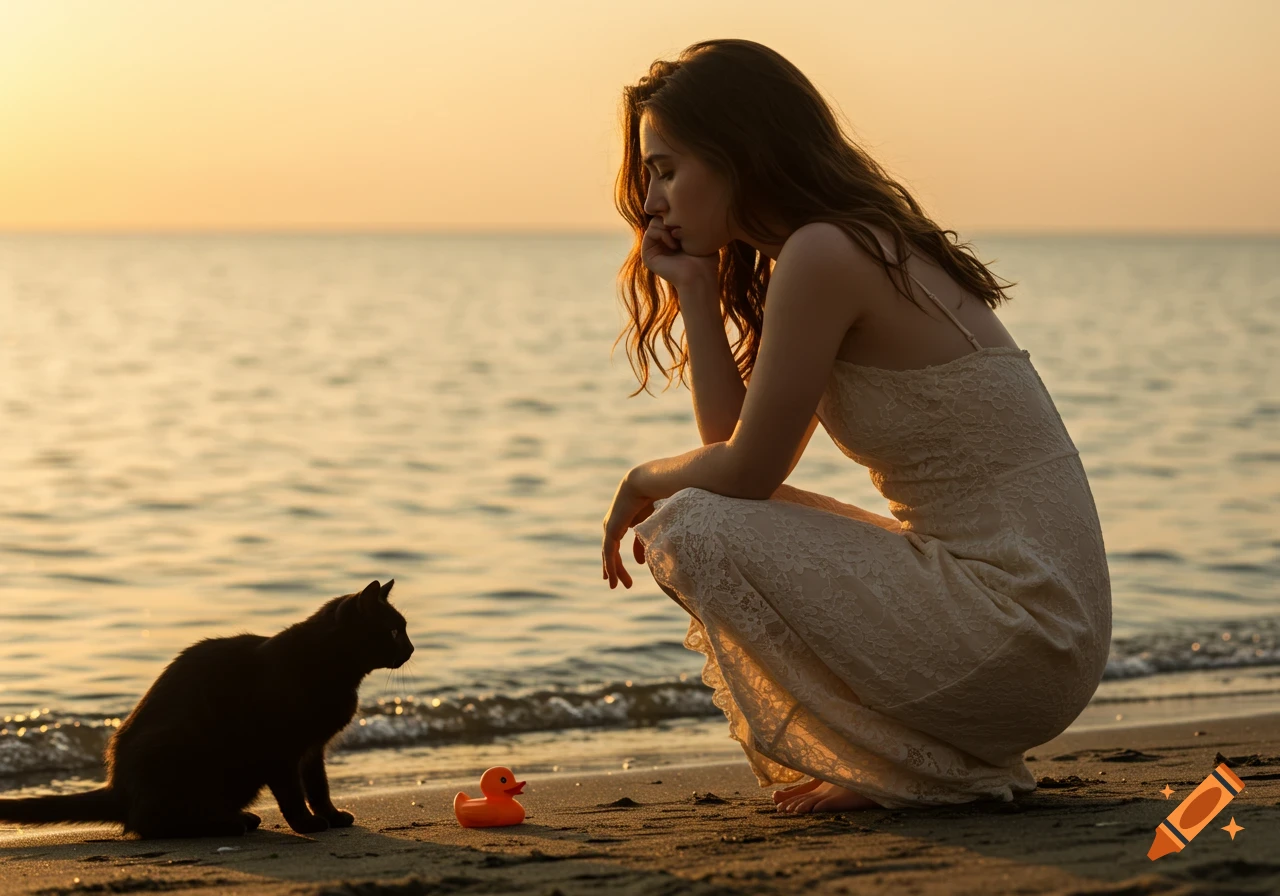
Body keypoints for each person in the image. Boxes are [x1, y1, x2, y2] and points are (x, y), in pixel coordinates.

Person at [600, 39, 1112, 814]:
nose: (652, 201)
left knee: (689, 523)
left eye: (666, 169)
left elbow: (743, 473)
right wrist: (699, 298)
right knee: (702, 512)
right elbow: (736, 448)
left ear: (739, 152)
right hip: (1039, 639)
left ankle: (906, 766)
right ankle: (917, 761)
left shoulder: (825, 253)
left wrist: (641, 479)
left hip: (1022, 633)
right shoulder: (836, 247)